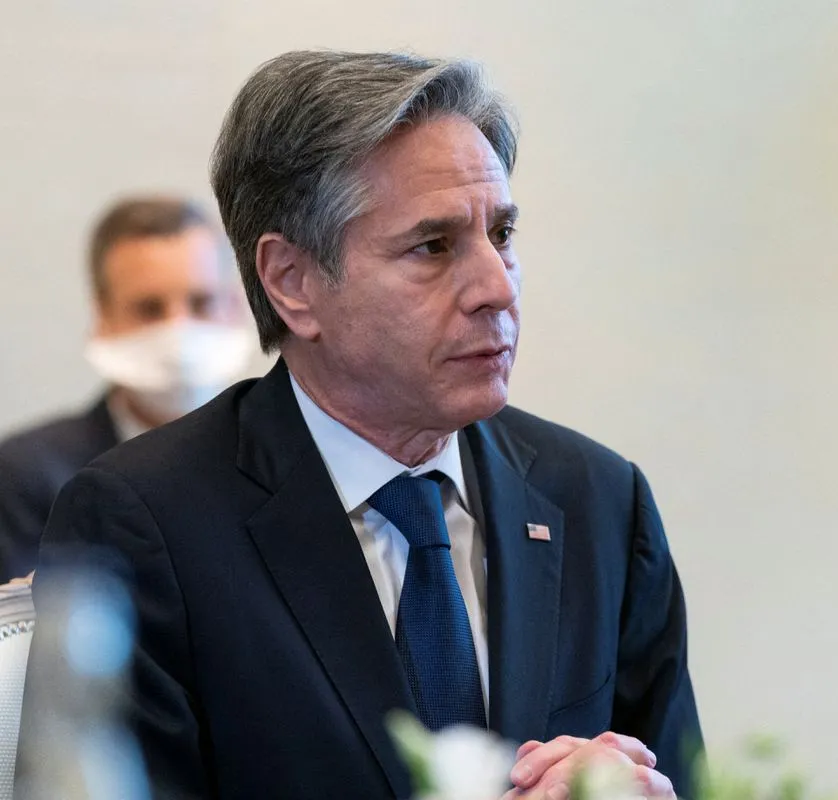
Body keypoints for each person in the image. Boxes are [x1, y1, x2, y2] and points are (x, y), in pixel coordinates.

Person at [18, 50, 701, 799]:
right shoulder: (143, 522)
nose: (496, 287)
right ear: (292, 283)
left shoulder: (599, 500)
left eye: (502, 234)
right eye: (433, 246)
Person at [0, 197, 253, 581]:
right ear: (103, 317)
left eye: (201, 303)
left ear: (235, 306)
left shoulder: (289, 457)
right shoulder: (27, 477)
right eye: (149, 308)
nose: (178, 332)